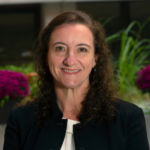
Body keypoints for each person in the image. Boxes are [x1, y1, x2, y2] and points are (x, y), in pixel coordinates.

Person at [3, 11, 149, 150]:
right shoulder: (21, 120)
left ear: (95, 59)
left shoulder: (128, 118)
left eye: (82, 49)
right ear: (46, 57)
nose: (70, 60)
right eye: (60, 48)